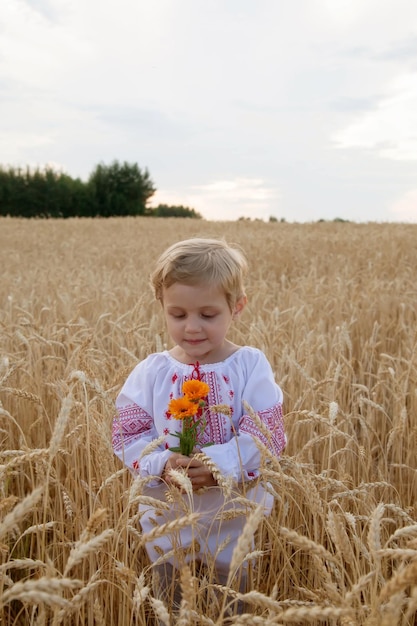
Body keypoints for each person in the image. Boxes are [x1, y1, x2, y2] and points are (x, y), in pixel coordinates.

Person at [112, 237, 286, 613]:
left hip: (235, 507)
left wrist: (220, 464)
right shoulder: (152, 371)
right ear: (161, 306)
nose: (192, 328)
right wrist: (161, 463)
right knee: (169, 588)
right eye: (178, 315)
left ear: (236, 307)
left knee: (234, 589)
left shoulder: (249, 365)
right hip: (166, 507)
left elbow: (267, 430)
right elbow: (128, 432)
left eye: (208, 315)